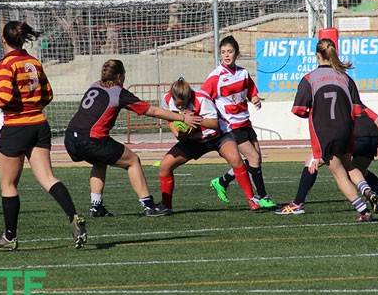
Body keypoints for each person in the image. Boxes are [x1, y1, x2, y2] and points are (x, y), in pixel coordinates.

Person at [0, 21, 86, 251]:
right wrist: (33, 106)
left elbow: (5, 96)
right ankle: (74, 216)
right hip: (39, 124)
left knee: (8, 184)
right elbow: (48, 94)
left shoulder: (6, 64)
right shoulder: (33, 61)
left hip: (16, 127)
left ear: (4, 40)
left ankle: (9, 236)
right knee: (48, 178)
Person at [64, 59, 202, 218]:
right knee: (133, 161)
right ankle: (149, 205)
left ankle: (96, 207)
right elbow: (152, 111)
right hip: (92, 140)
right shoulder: (119, 92)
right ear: (119, 76)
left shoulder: (94, 85)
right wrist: (182, 118)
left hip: (71, 138)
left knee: (100, 161)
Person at [275, 38, 378, 222]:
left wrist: (315, 112)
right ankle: (367, 190)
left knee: (340, 175)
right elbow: (357, 110)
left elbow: (298, 110)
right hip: (347, 131)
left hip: (326, 132)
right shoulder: (345, 78)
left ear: (317, 56)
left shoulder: (309, 78)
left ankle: (364, 211)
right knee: (349, 166)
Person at [277, 104, 378, 214]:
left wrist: (319, 153)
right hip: (373, 136)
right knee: (359, 171)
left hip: (354, 135)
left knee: (312, 161)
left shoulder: (332, 106)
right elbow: (377, 119)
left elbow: (330, 128)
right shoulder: (353, 100)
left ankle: (298, 203)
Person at [158, 78, 261, 211]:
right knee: (165, 165)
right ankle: (166, 206)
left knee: (235, 159)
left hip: (217, 136)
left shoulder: (201, 99)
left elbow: (214, 124)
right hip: (193, 140)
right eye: (178, 106)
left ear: (189, 97)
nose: (181, 108)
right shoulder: (167, 99)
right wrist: (180, 135)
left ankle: (251, 198)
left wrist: (195, 119)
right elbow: (170, 119)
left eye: (183, 104)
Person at [201, 36, 276, 209]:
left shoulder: (242, 73)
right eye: (223, 52)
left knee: (255, 160)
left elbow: (250, 90)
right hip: (230, 125)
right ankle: (262, 197)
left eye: (230, 51)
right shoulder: (216, 76)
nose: (226, 55)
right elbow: (203, 98)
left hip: (245, 122)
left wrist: (255, 98)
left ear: (237, 53)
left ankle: (222, 181)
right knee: (254, 158)